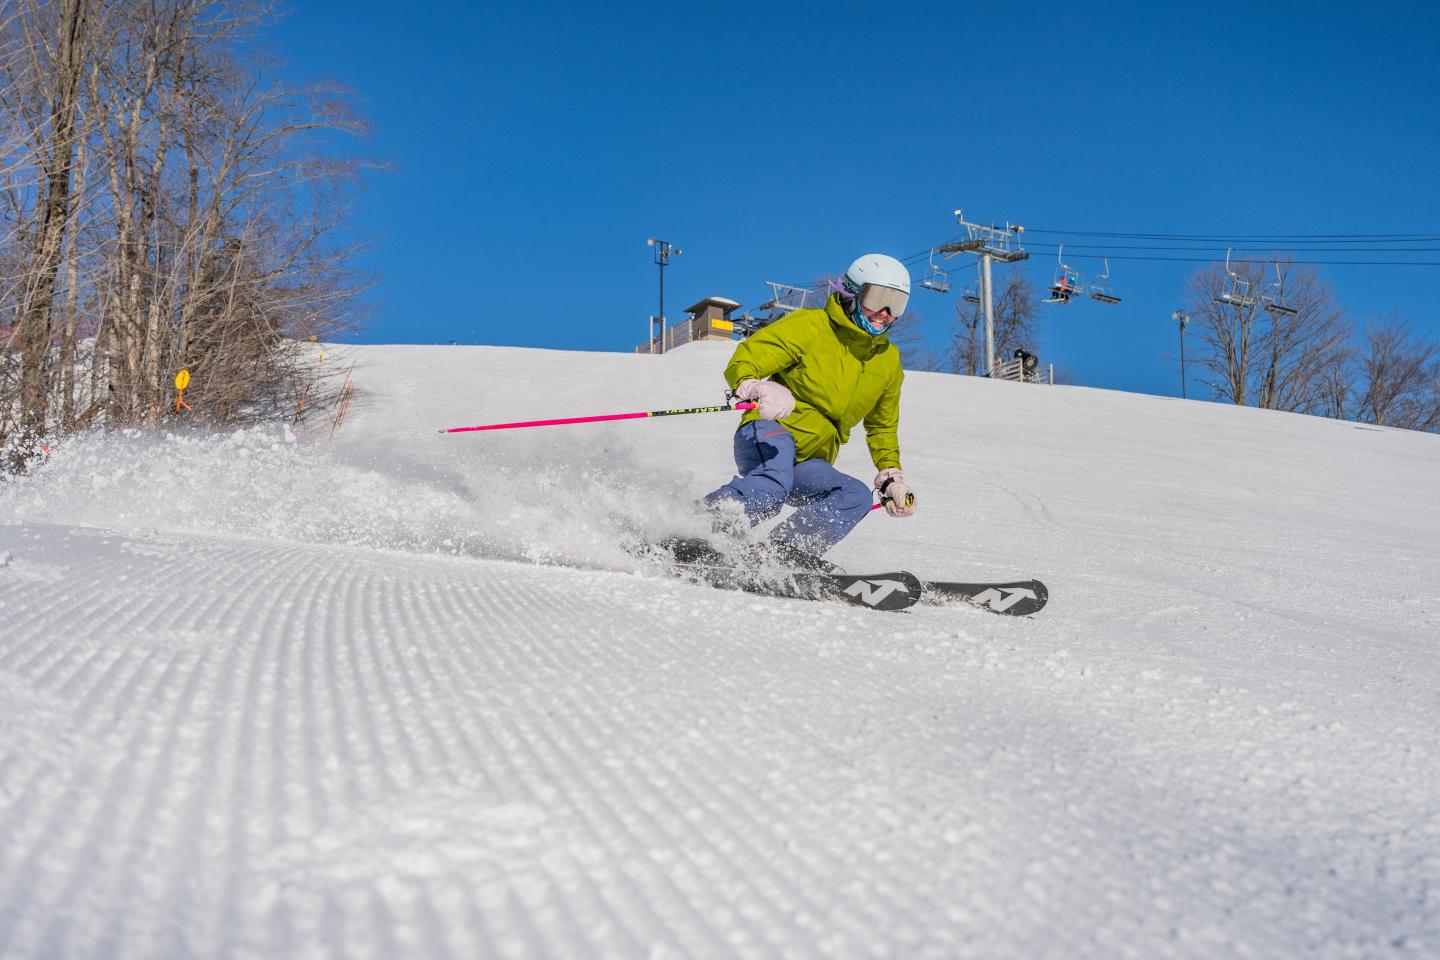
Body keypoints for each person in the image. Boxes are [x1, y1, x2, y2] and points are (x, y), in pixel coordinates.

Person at [700, 252, 917, 571]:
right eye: (879, 298)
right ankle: (698, 528)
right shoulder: (811, 326)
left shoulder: (887, 362)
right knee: (772, 484)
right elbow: (747, 359)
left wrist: (891, 478)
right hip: (770, 432)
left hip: (811, 458)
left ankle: (779, 555)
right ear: (852, 293)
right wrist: (755, 386)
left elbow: (882, 428)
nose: (885, 313)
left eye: (896, 304)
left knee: (854, 495)